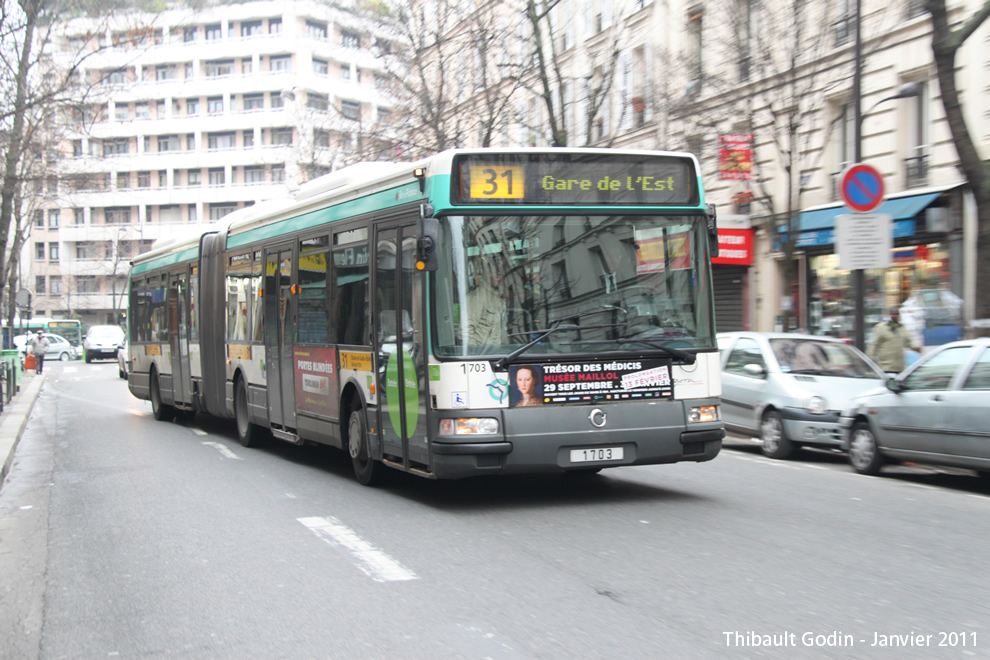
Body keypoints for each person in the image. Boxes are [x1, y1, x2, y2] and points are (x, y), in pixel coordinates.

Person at [868, 306, 919, 373]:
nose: (895, 316)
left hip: (900, 368)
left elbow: (908, 342)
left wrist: (916, 348)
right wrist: (869, 361)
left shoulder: (902, 328)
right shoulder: (881, 328)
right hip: (885, 368)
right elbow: (874, 345)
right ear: (889, 315)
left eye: (897, 314)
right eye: (893, 314)